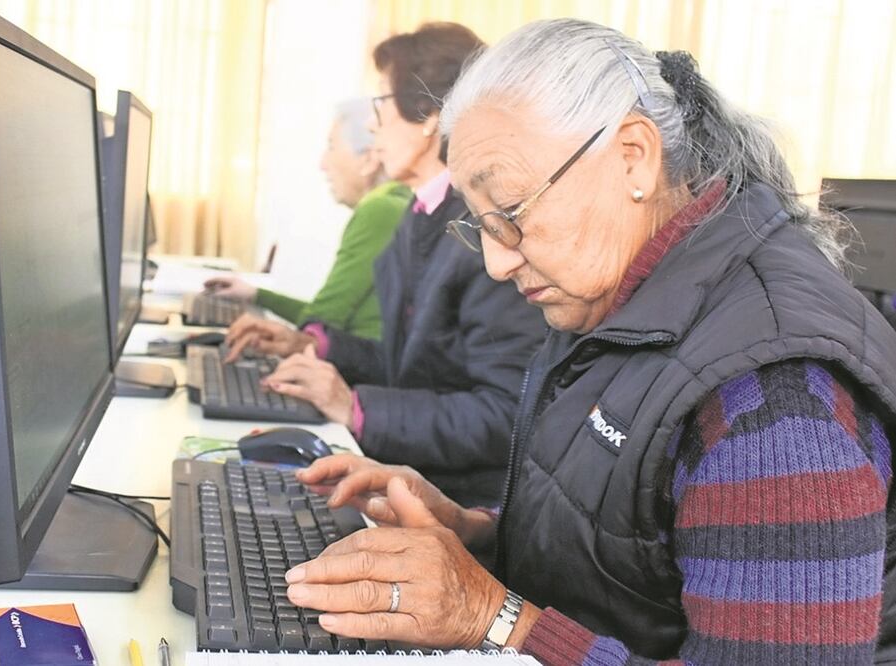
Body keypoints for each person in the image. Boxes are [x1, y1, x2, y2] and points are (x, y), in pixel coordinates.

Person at [280, 18, 896, 663]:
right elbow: (626, 557)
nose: (496, 263)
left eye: (511, 214)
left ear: (633, 155)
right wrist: (470, 534)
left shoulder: (773, 397)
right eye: (481, 226)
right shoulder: (617, 296)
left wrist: (495, 619)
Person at [226, 23, 547, 507]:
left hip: (462, 506)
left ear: (429, 119)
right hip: (414, 474)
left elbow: (505, 415)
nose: (371, 124)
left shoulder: (484, 234)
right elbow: (413, 369)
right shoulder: (421, 214)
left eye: (380, 103)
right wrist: (316, 344)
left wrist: (355, 407)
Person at [204, 98, 410, 340]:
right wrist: (256, 295)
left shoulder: (380, 209)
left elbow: (322, 320)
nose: (323, 164)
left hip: (356, 371)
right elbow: (325, 318)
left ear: (368, 159)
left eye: (332, 146)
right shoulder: (398, 202)